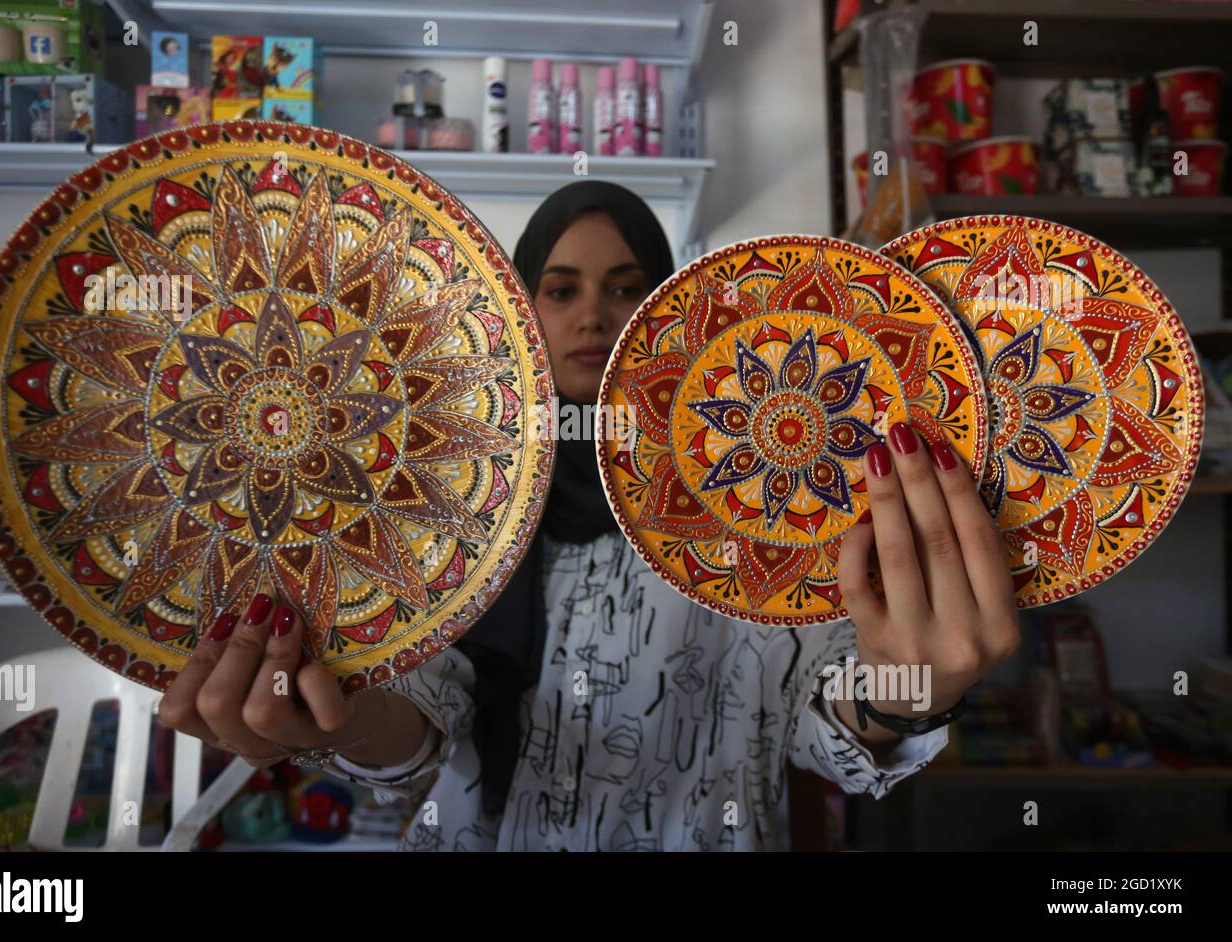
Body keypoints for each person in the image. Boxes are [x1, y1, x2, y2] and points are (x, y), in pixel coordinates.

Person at [157, 181, 1020, 851]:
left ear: (667, 306)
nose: (592, 316)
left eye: (627, 287)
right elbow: (418, 725)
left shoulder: (758, 502)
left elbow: (822, 726)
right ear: (517, 310)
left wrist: (917, 690)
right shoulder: (449, 500)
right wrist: (325, 720)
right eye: (559, 289)